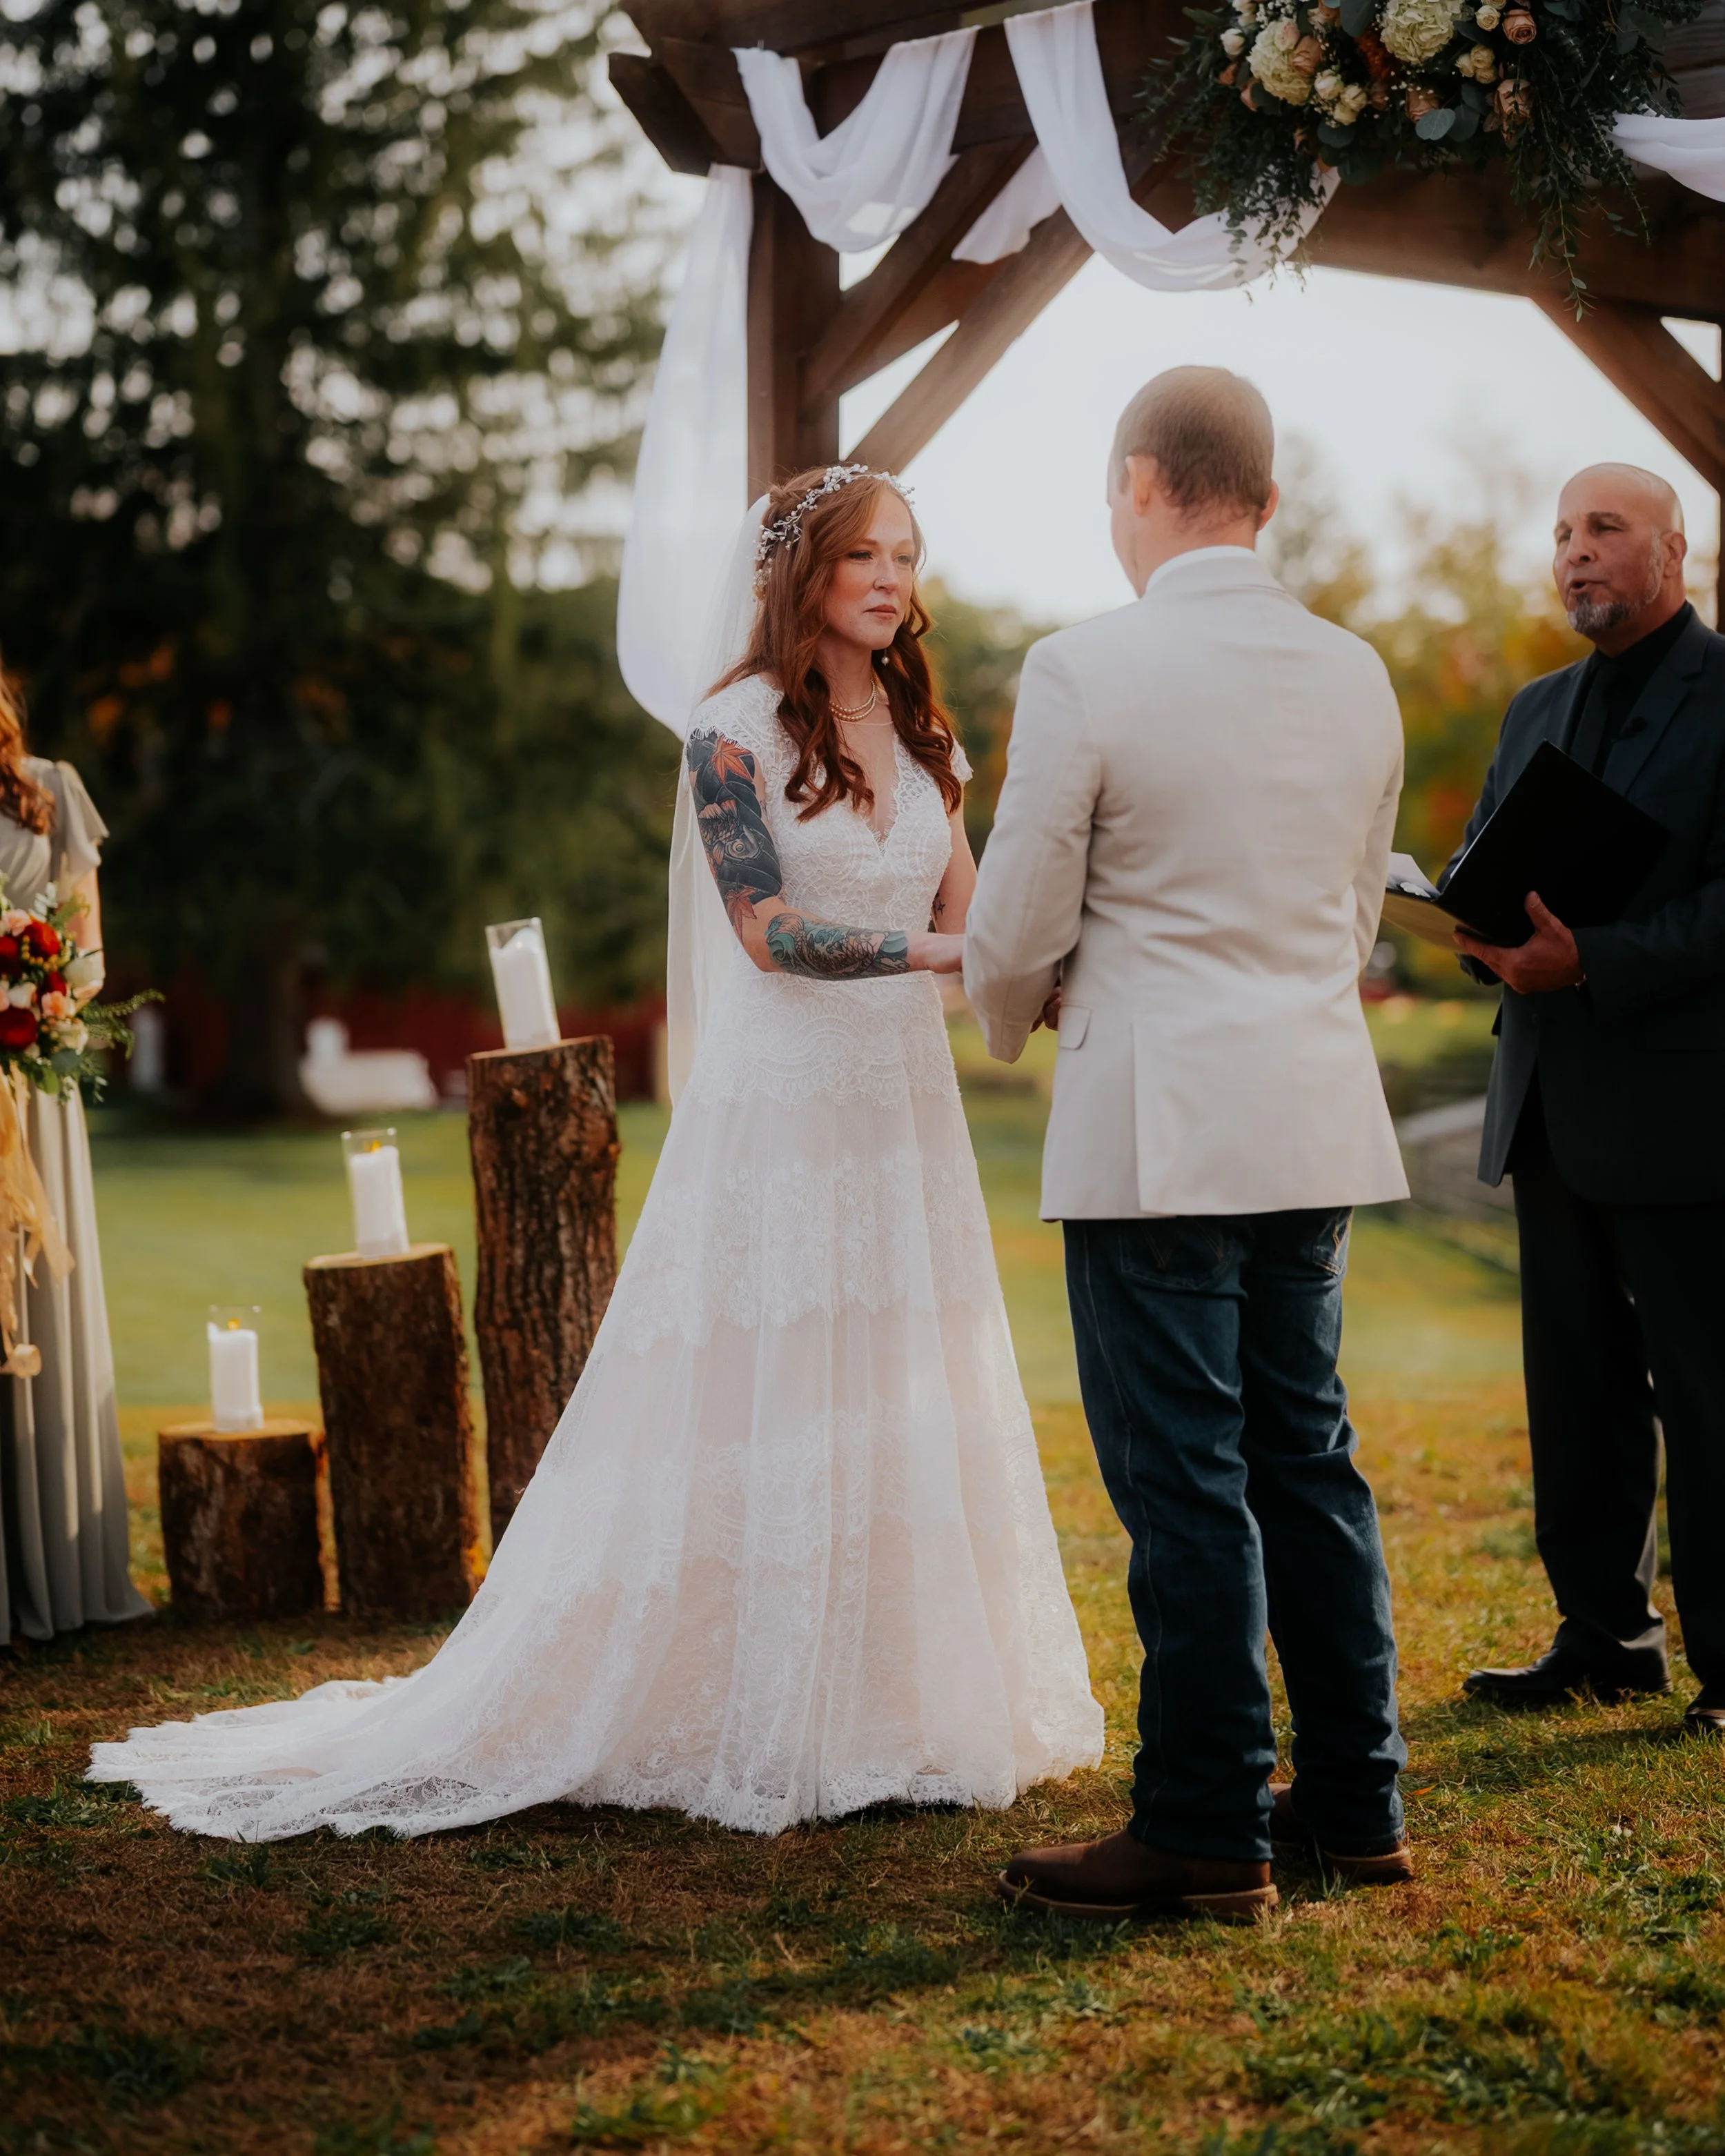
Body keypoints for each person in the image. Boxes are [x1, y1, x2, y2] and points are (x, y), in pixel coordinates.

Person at [89, 465, 1103, 1837]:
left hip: (896, 1100)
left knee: (890, 1363)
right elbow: (764, 932)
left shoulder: (928, 736)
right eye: (863, 553)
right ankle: (740, 1692)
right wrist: (941, 951)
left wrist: (1044, 966)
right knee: (761, 1373)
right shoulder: (729, 727)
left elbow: (982, 912)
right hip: (784, 1092)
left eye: (905, 555)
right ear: (798, 572)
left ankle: (893, 1702)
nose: (889, 578)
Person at [965, 367, 1412, 1923]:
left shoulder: (1086, 665)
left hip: (1155, 1126)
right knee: (1309, 1456)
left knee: (1185, 1480)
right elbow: (1354, 916)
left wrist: (1008, 1008)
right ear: (1266, 499)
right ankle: (1356, 1803)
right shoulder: (1357, 671)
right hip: (1308, 1108)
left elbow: (1017, 912)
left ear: (1136, 480)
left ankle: (1204, 1823)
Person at [1450, 464, 1725, 1740]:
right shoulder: (1533, 706)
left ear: (1677, 549)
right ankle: (1605, 1636)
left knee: (1710, 1394)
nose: (1575, 554)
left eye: (1603, 530)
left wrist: (1597, 962)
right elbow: (1489, 856)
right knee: (1576, 1391)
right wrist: (1466, 923)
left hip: (1686, 1111)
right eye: (1561, 534)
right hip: (1548, 1099)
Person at [0, 661, 150, 1645]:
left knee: (36, 1308)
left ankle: (52, 1570)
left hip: (26, 1093)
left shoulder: (51, 788)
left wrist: (37, 997)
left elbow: (88, 956)